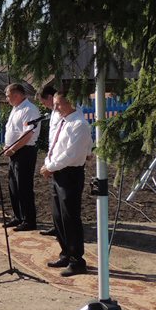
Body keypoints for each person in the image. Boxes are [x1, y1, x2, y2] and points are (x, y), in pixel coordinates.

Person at [41, 92, 93, 277]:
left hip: (70, 173)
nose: (55, 108)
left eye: (58, 104)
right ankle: (65, 253)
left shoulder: (79, 124)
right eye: (54, 104)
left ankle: (77, 260)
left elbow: (70, 154)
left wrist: (51, 166)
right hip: (58, 172)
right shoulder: (63, 121)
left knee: (70, 217)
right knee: (58, 217)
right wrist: (49, 163)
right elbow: (55, 146)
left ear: (70, 102)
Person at [2, 83, 41, 232]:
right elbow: (13, 130)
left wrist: (13, 148)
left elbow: (28, 134)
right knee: (13, 186)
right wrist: (8, 146)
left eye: (8, 96)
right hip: (14, 151)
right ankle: (18, 216)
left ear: (17, 95)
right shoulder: (15, 109)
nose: (7, 99)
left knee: (24, 186)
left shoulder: (29, 109)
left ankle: (29, 220)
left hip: (25, 151)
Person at [37, 84, 60, 237]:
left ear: (50, 98)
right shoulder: (54, 113)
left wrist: (53, 163)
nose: (42, 105)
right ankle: (57, 226)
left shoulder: (65, 113)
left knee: (63, 201)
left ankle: (62, 229)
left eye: (43, 101)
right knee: (55, 198)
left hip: (62, 162)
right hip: (53, 159)